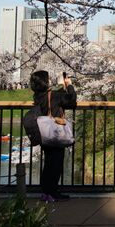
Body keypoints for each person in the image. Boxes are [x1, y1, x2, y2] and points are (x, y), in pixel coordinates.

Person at [30, 70, 77, 202]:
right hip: (55, 132)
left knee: (48, 163)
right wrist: (69, 85)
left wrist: (62, 87)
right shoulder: (54, 95)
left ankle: (45, 192)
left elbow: (57, 98)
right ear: (45, 81)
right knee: (56, 162)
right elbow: (71, 101)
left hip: (44, 132)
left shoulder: (38, 96)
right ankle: (53, 193)